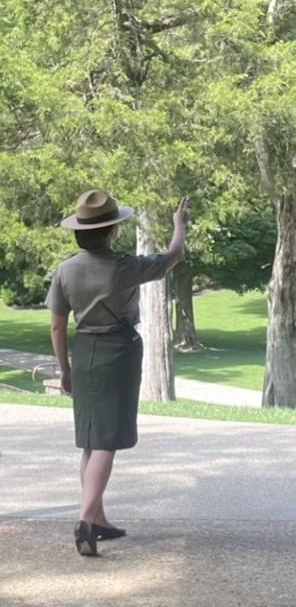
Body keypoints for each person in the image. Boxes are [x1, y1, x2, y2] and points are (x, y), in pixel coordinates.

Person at [45, 189, 189, 556]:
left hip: (84, 351)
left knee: (91, 439)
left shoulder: (65, 270)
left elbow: (58, 327)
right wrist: (178, 226)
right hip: (118, 351)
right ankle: (85, 519)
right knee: (107, 439)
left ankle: (99, 519)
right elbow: (173, 256)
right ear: (111, 231)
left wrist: (65, 370)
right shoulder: (125, 267)